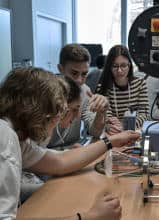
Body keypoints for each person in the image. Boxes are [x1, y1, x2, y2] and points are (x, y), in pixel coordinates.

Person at [0, 67, 139, 219]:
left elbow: (61, 161)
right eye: (60, 111)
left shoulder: (15, 136)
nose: (59, 118)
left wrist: (111, 141)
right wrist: (88, 217)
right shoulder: (6, 138)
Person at [48, 44, 109, 149]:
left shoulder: (85, 91)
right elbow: (31, 150)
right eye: (74, 73)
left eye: (84, 74)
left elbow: (95, 132)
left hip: (73, 152)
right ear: (60, 69)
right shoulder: (45, 93)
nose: (79, 80)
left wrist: (101, 113)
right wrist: (63, 153)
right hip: (46, 156)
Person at [97, 45, 149, 134]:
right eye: (115, 66)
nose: (120, 70)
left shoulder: (140, 83)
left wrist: (125, 125)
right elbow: (105, 115)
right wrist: (109, 125)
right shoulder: (104, 86)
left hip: (133, 131)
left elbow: (145, 114)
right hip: (113, 133)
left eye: (123, 65)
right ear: (109, 67)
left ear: (129, 65)